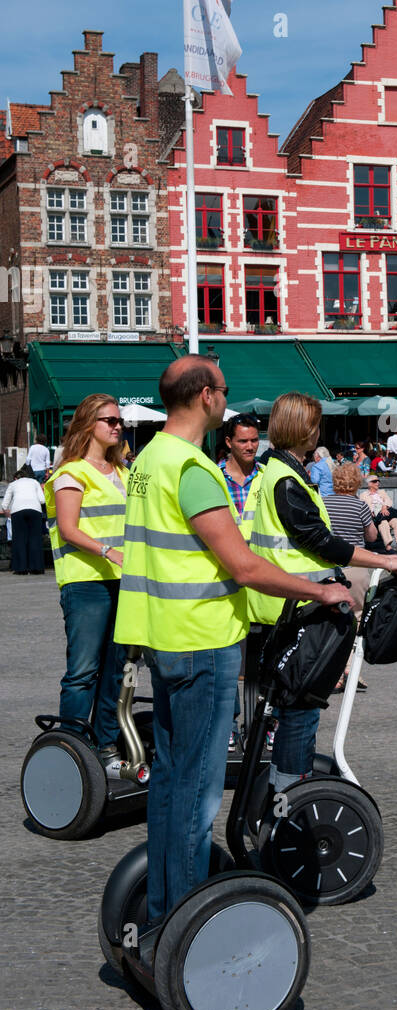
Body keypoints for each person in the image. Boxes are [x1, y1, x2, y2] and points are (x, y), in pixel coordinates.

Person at [114, 359, 354, 925]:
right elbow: (243, 567)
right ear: (203, 397)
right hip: (203, 639)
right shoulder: (192, 470)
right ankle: (188, 916)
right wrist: (320, 594)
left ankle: (166, 903)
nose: (228, 397)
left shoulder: (147, 459)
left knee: (170, 781)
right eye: (223, 388)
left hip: (164, 637)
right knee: (197, 793)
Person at [247, 394, 397, 793]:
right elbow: (321, 541)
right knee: (300, 707)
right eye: (316, 425)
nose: (319, 431)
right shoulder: (286, 480)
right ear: (305, 430)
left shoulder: (277, 472)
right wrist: (384, 561)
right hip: (296, 608)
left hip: (286, 604)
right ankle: (290, 794)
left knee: (292, 706)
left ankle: (284, 788)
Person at [44, 395, 128, 773]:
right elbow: (68, 528)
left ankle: (106, 744)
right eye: (108, 420)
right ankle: (72, 747)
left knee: (117, 669)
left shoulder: (123, 472)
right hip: (85, 581)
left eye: (118, 420)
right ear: (87, 425)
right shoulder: (71, 473)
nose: (116, 426)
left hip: (122, 581)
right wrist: (109, 551)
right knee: (83, 670)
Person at [218, 413, 262, 539]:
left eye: (254, 440)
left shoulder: (266, 475)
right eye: (243, 441)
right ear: (228, 442)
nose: (250, 447)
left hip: (259, 555)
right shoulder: (214, 477)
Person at [2, 465, 45, 574]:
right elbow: (42, 500)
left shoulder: (12, 484)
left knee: (19, 539)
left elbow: (4, 504)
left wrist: (8, 509)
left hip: (18, 511)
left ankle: (21, 568)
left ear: (16, 478)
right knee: (35, 538)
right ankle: (36, 567)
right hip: (35, 510)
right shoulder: (35, 482)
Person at [360, 473, 397, 552]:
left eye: (378, 481)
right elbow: (363, 505)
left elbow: (389, 500)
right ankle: (388, 547)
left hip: (387, 513)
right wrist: (372, 511)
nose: (377, 483)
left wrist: (384, 507)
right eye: (375, 481)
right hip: (376, 517)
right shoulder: (364, 495)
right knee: (383, 523)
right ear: (369, 484)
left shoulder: (382, 492)